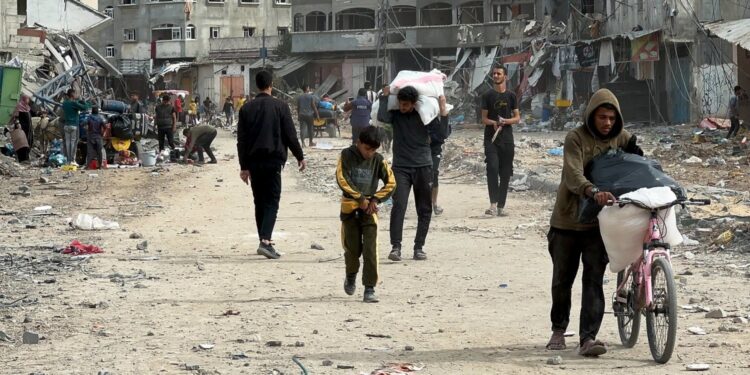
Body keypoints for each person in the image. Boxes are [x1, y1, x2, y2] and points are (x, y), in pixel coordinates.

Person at [546, 88, 642, 357]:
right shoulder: (575, 138)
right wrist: (591, 190)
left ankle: (588, 338)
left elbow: (637, 165)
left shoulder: (621, 138)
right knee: (562, 280)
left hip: (598, 225)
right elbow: (572, 174)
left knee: (593, 281)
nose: (607, 123)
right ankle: (558, 328)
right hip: (567, 221)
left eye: (612, 118)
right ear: (592, 116)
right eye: (602, 117)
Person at [237, 71, 306, 259]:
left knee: (259, 201)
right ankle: (265, 241)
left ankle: (263, 239)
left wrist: (243, 167)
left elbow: (241, 141)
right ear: (271, 84)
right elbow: (290, 135)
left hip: (253, 162)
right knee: (272, 201)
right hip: (273, 160)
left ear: (256, 85)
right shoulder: (280, 106)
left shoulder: (246, 109)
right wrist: (300, 156)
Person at [377, 85, 449, 261]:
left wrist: (443, 112)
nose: (403, 107)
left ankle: (419, 247)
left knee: (424, 208)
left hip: (423, 166)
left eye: (406, 105)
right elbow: (382, 117)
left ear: (414, 103)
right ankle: (396, 247)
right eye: (401, 104)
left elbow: (441, 135)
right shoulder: (396, 115)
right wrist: (385, 97)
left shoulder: (425, 115)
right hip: (400, 167)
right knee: (398, 206)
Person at [336, 126, 396, 303]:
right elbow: (342, 178)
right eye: (367, 149)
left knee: (370, 249)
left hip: (369, 210)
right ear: (359, 143)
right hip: (350, 209)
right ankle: (351, 275)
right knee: (352, 249)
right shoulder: (346, 155)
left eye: (373, 150)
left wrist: (375, 199)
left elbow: (391, 183)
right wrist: (359, 198)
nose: (369, 153)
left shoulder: (378, 160)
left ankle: (369, 288)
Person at [481, 64, 520, 217]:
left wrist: (506, 121)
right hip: (491, 138)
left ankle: (501, 207)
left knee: (505, 172)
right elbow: (483, 119)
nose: (496, 76)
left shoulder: (511, 96)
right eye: (494, 73)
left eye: (499, 73)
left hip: (507, 139)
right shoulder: (487, 95)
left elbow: (517, 117)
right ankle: (492, 204)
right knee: (492, 168)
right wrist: (494, 123)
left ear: (505, 76)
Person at [61, 88, 91, 165]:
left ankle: (68, 160)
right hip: (74, 125)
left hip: (66, 125)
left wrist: (78, 102)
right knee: (73, 143)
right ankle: (72, 160)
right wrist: (86, 102)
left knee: (67, 143)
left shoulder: (64, 103)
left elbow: (73, 106)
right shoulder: (73, 103)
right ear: (72, 95)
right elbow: (85, 107)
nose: (76, 95)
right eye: (75, 94)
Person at [429, 114, 451, 216]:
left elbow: (445, 133)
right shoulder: (418, 118)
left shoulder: (437, 120)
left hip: (435, 150)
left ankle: (434, 204)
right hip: (420, 150)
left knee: (434, 174)